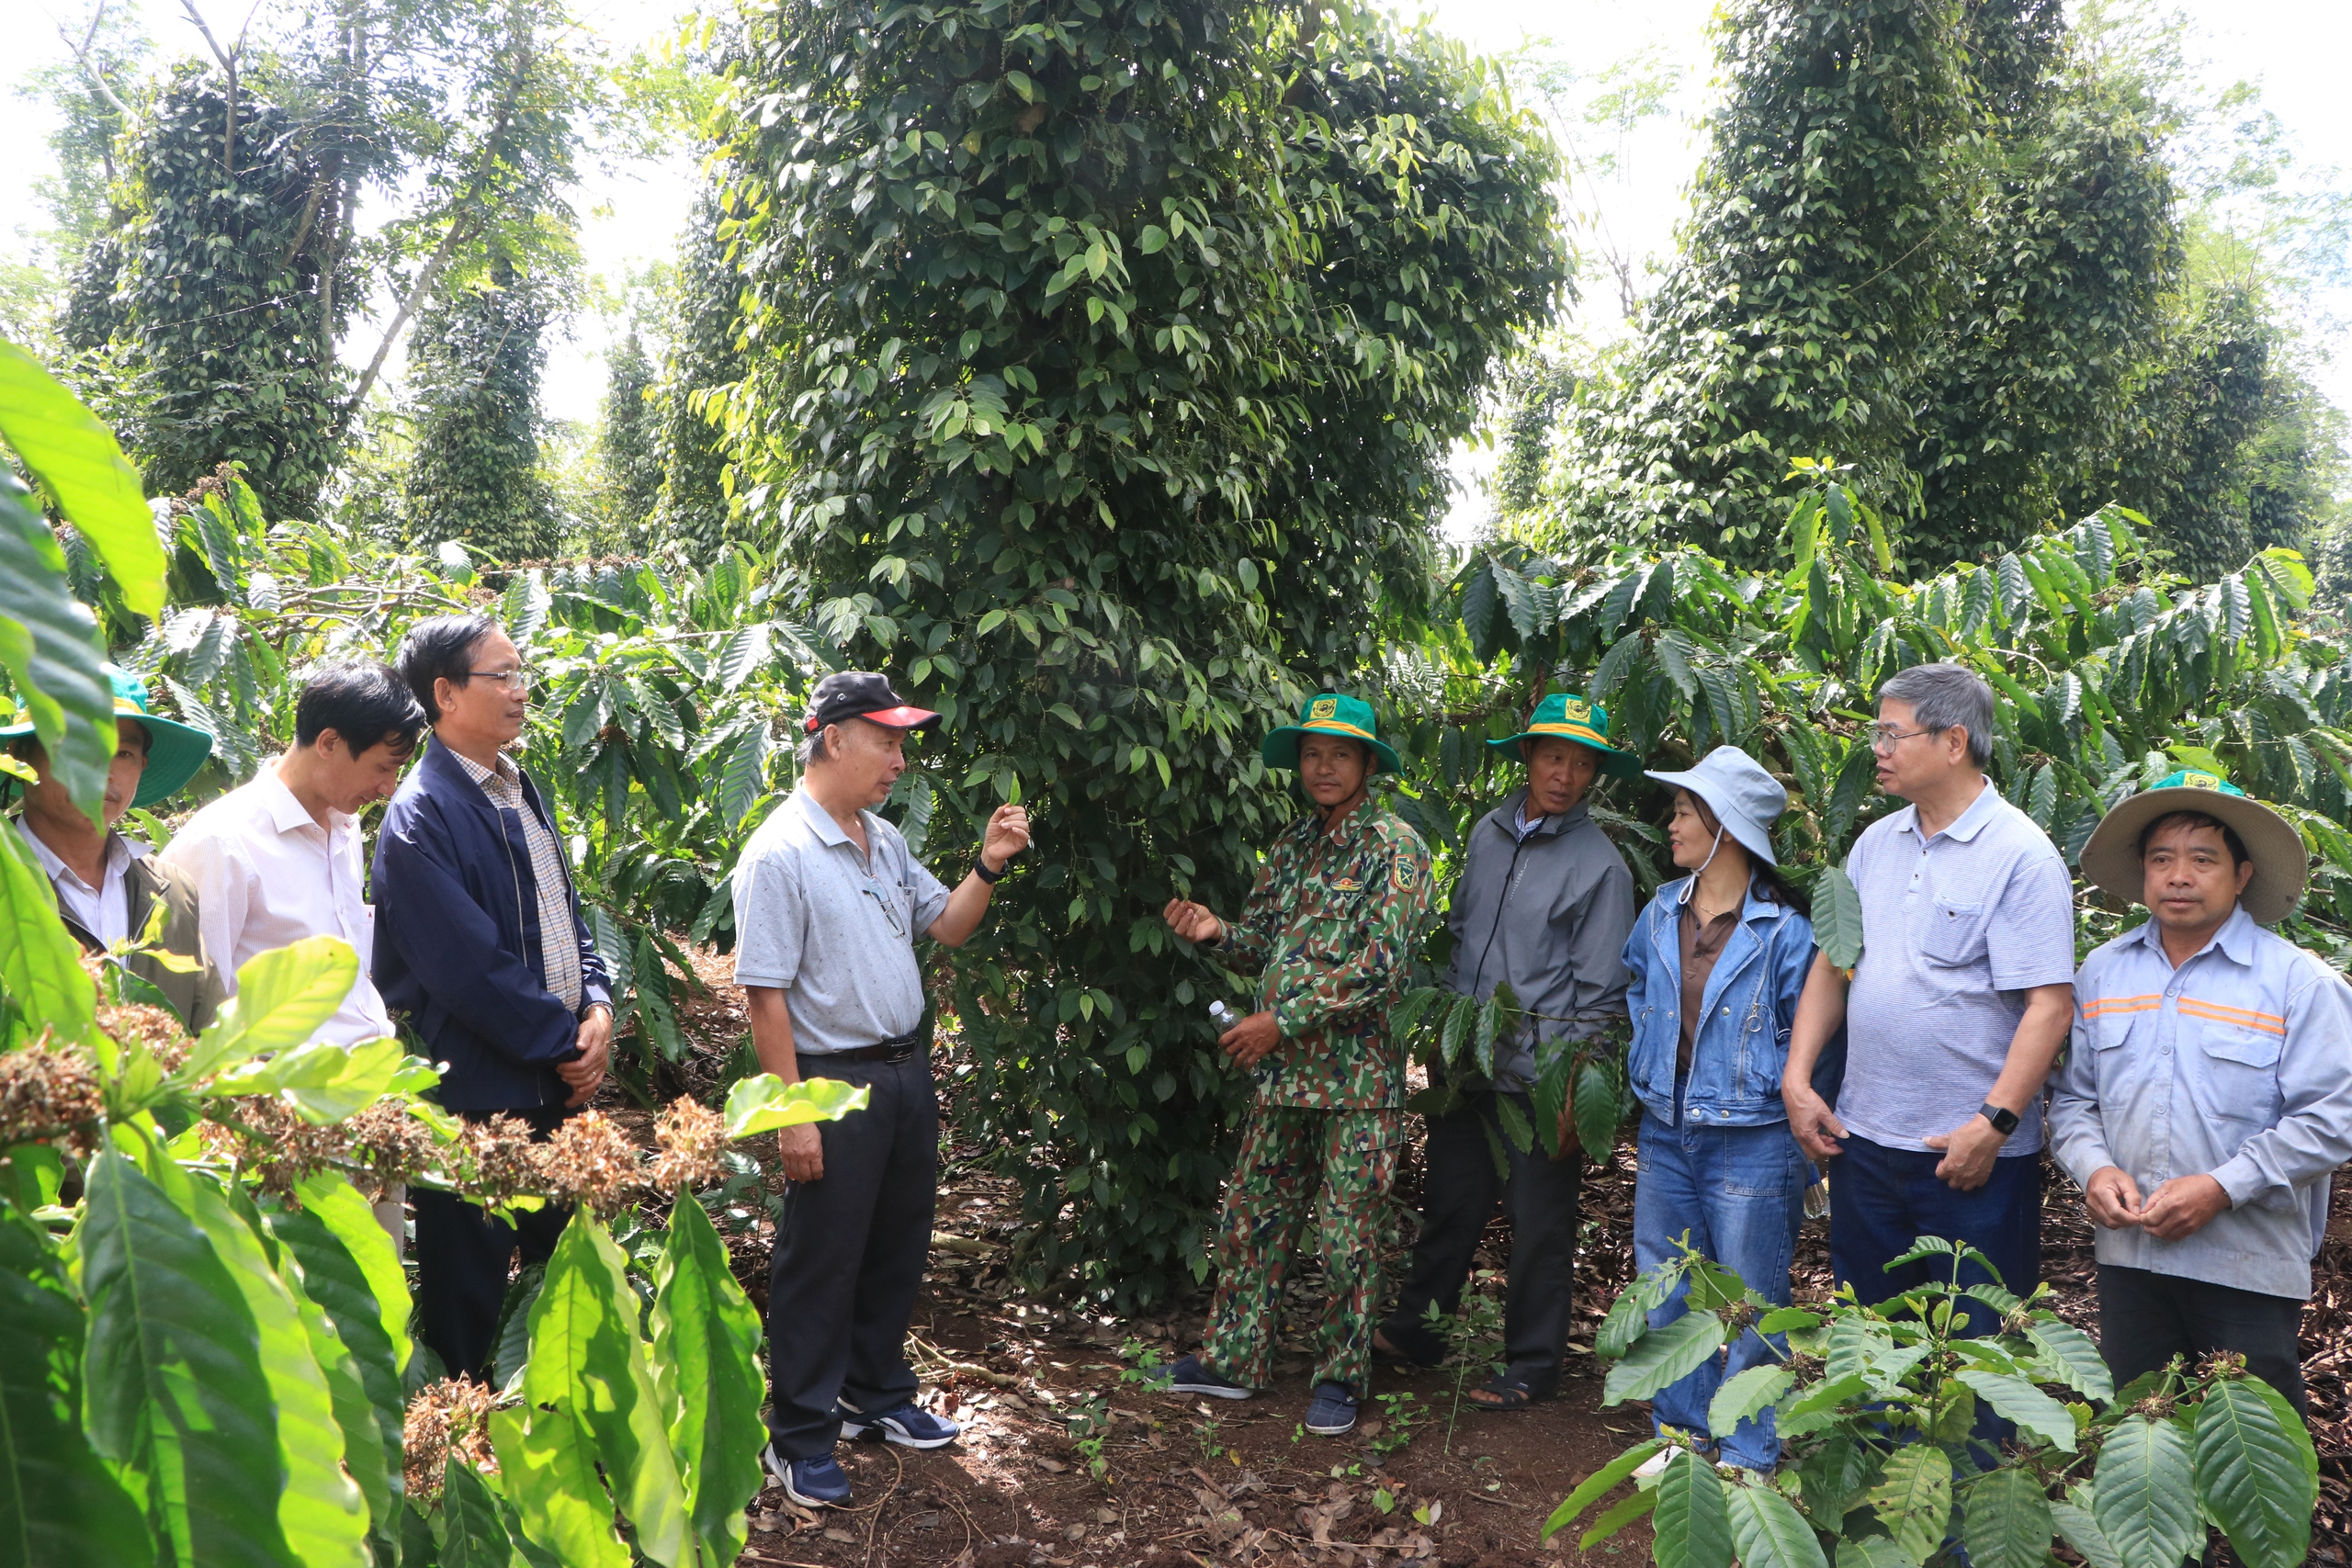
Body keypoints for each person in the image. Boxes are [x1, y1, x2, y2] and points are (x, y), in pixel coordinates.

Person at [731, 671, 1031, 1510]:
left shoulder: (884, 838)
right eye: (887, 741)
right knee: (821, 1258)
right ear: (834, 738)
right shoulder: (782, 851)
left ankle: (874, 1391)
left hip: (905, 1071)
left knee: (896, 1242)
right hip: (833, 1081)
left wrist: (988, 864)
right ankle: (797, 1433)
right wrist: (793, 1114)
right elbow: (764, 995)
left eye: (903, 743)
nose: (899, 759)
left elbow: (950, 926)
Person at [1160, 693, 1434, 1439]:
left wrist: (1281, 1020)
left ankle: (1342, 1375)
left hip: (1355, 1085)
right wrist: (1219, 934)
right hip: (1282, 1077)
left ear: (1368, 764)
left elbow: (1382, 966)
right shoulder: (1292, 846)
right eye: (1312, 752)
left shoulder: (1397, 847)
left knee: (1349, 1237)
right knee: (1254, 1221)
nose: (1323, 765)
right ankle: (1234, 1360)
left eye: (1340, 753)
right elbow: (1266, 947)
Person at [2050, 770, 2352, 1416]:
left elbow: (2334, 1119)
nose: (2179, 875)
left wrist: (2221, 1186)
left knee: (2255, 1440)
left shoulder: (2298, 984)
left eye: (2202, 859)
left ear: (2242, 873)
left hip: (2246, 1259)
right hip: (2130, 1257)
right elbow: (2075, 1101)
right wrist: (2095, 1168)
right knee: (2141, 1435)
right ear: (2142, 871)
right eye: (2162, 858)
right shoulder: (2102, 972)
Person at [1371, 691, 1639, 1411]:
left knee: (1538, 1221)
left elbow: (1603, 999)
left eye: (1583, 764)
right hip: (1471, 1065)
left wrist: (1572, 1093)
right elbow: (1463, 934)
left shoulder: (1600, 867)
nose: (1566, 775)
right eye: (1555, 756)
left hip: (1541, 1075)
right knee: (1451, 1200)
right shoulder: (1489, 832)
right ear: (1527, 756)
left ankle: (1531, 1362)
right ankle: (1418, 1329)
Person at [1781, 662, 2076, 1318]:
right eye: (1876, 733)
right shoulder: (1874, 844)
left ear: (1953, 742)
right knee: (1873, 1341)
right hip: (1864, 1145)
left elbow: (2050, 1006)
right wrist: (1798, 1080)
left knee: (1971, 1360)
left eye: (1892, 734)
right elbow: (1834, 966)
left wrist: (1992, 1125)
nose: (1877, 750)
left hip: (1968, 1159)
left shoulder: (2021, 856)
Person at [373, 615, 615, 1382]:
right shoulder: (421, 814)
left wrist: (599, 1006)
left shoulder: (520, 785)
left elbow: (564, 915)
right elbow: (466, 968)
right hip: (479, 1100)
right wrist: (565, 1042)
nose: (521, 689)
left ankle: (560, 1452)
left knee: (566, 1285)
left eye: (521, 672)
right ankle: (463, 1468)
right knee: (468, 1300)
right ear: (445, 693)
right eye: (502, 675)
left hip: (556, 1086)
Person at [164, 658, 426, 1250]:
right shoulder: (222, 843)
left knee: (377, 1314)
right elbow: (198, 1006)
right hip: (286, 1128)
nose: (389, 789)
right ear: (330, 742)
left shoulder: (343, 825)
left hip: (367, 1105)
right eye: (384, 768)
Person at [1621, 746, 1816, 1473]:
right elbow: (1639, 989)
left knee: (1751, 1296)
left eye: (1683, 810)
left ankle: (1746, 1448)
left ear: (1725, 828)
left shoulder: (1784, 933)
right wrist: (1650, 1063)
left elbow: (1813, 1040)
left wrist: (1785, 1110)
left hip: (1754, 1136)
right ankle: (1681, 1438)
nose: (1670, 823)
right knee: (1669, 1288)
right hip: (1667, 1129)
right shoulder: (1659, 912)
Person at [5, 664, 219, 1024]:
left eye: (123, 754)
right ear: (20, 755)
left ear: (141, 766)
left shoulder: (172, 893)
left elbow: (212, 1035)